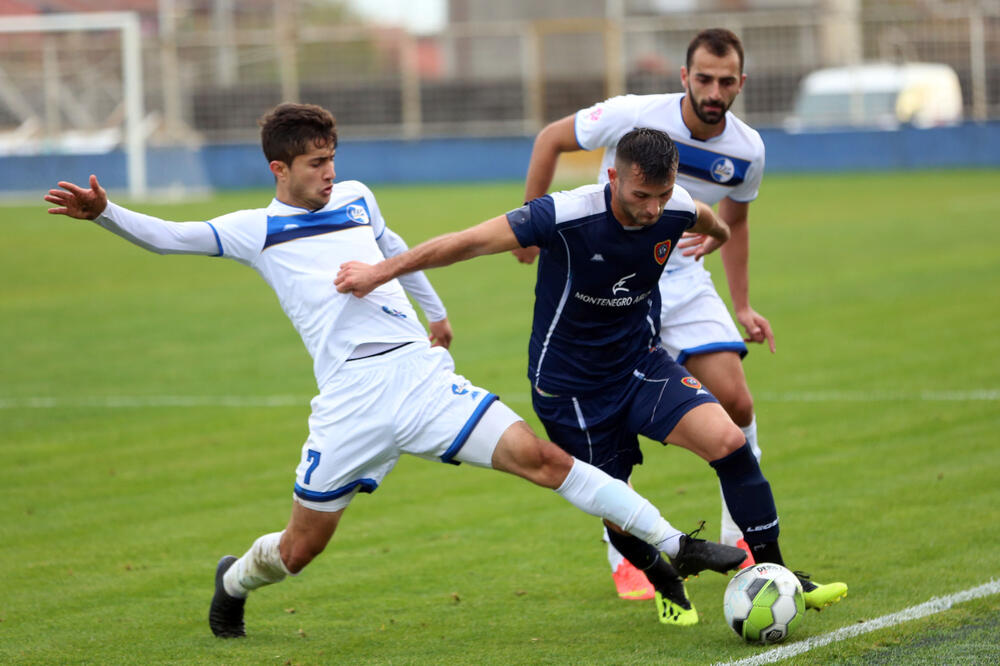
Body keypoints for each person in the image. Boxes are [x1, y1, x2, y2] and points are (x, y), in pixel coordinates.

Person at [45, 103, 747, 638]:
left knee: (543, 458)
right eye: (315, 162)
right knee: (299, 548)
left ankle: (673, 544)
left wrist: (434, 314)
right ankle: (234, 579)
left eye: (331, 156)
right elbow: (172, 239)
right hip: (350, 402)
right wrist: (106, 213)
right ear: (279, 170)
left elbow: (394, 243)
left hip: (419, 375)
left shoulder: (356, 197)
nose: (329, 171)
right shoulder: (253, 230)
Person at [336, 127, 847, 626]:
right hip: (571, 389)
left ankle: (779, 573)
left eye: (662, 195)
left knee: (730, 443)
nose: (652, 209)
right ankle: (664, 578)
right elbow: (466, 242)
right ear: (612, 177)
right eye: (641, 195)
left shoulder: (676, 206)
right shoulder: (565, 214)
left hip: (640, 365)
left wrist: (717, 237)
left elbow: (709, 219)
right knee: (614, 501)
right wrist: (378, 273)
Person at [517, 27, 778, 601]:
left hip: (681, 276)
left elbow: (735, 223)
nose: (714, 90)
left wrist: (741, 304)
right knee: (609, 435)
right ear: (685, 77)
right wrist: (528, 226)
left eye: (725, 80)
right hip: (612, 271)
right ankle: (627, 559)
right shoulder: (633, 115)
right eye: (703, 78)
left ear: (741, 83)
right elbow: (550, 140)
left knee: (735, 401)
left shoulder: (748, 150)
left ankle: (748, 548)